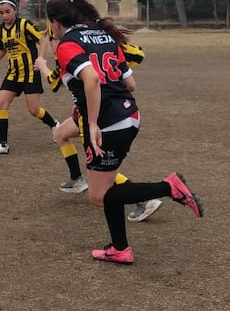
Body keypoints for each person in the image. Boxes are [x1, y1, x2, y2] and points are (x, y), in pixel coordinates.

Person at [43, 0, 203, 264]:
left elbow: (92, 79)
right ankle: (120, 248)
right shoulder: (104, 36)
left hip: (108, 123)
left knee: (99, 196)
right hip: (129, 115)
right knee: (107, 186)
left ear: (55, 22)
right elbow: (130, 84)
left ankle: (169, 187)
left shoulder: (68, 43)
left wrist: (92, 122)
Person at [41, 42, 160, 222]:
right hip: (94, 109)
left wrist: (42, 65)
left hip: (96, 117)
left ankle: (144, 200)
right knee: (60, 134)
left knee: (100, 169)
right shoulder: (102, 42)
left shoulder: (70, 48)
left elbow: (55, 81)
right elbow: (136, 58)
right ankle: (77, 179)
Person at [0, 0, 58, 155]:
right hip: (13, 73)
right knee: (1, 105)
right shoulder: (0, 30)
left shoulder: (24, 24)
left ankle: (55, 125)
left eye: (8, 12)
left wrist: (41, 59)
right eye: (1, 13)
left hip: (30, 72)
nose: (5, 16)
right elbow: (3, 50)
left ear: (15, 10)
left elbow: (42, 40)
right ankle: (3, 144)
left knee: (34, 110)